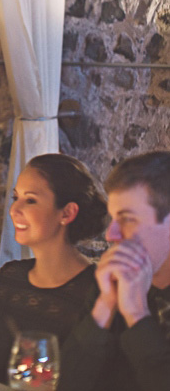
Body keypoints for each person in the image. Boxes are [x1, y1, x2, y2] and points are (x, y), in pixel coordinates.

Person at [0, 153, 108, 384]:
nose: (14, 209)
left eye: (31, 200)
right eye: (16, 197)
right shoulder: (9, 277)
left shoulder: (99, 292)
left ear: (67, 213)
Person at [59, 150, 170, 391]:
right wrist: (105, 305)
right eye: (112, 219)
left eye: (127, 219)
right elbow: (66, 384)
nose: (111, 235)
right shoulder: (119, 280)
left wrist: (136, 313)